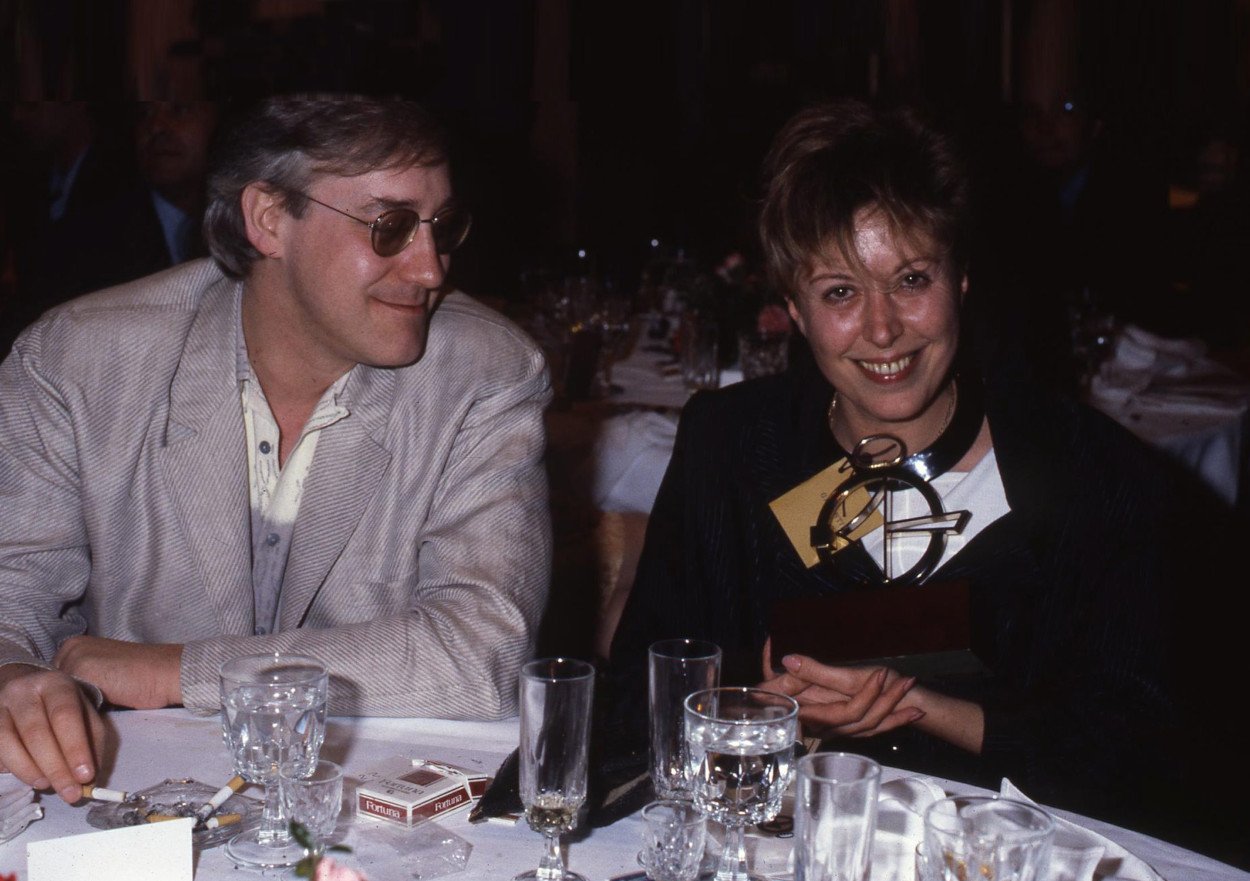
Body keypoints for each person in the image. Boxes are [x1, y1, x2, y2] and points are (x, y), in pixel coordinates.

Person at [609, 100, 1240, 858]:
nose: (883, 329)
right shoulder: (731, 449)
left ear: (962, 280)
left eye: (912, 278)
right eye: (840, 291)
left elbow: (1150, 755)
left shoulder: (1094, 474)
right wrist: (750, 711)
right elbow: (636, 703)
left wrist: (923, 708)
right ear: (793, 312)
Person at [0, 95, 551, 806]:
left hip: (368, 818)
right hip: (121, 806)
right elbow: (10, 595)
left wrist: (176, 672)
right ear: (267, 219)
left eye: (442, 228)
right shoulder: (79, 359)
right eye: (390, 228)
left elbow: (483, 655)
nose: (431, 269)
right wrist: (14, 676)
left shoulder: (484, 372)